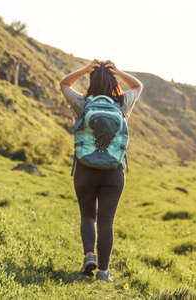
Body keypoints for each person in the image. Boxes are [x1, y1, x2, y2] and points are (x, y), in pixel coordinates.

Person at [59, 59, 143, 282]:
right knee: (106, 221)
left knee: (88, 216)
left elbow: (64, 83)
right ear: (114, 80)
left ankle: (89, 256)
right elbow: (138, 86)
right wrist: (119, 71)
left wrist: (86, 69)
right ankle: (104, 273)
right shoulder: (122, 103)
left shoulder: (83, 102)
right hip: (114, 171)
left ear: (91, 80)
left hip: (85, 168)